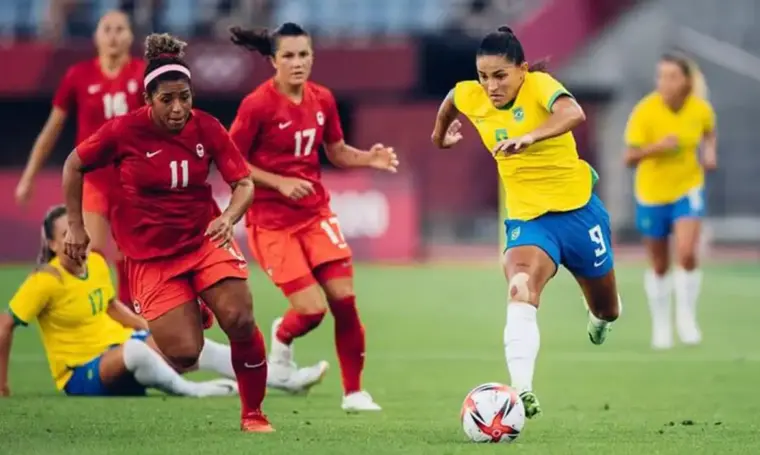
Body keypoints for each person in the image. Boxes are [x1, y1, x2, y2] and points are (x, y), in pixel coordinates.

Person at [61, 33, 272, 432]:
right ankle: (197, 305)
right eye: (167, 100)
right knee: (184, 353)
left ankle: (253, 413)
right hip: (151, 257)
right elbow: (74, 164)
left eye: (185, 97)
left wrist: (229, 217)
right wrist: (76, 225)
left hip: (204, 239)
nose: (178, 108)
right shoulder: (122, 131)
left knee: (240, 318)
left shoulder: (207, 127)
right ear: (148, 99)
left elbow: (244, 183)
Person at [430, 26, 621, 419]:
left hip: (579, 213)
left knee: (608, 310)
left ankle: (599, 318)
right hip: (529, 221)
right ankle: (521, 390)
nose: (491, 86)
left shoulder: (540, 86)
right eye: (484, 76)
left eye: (500, 76)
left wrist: (531, 137)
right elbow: (452, 99)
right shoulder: (471, 94)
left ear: (522, 69)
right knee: (520, 288)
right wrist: (439, 136)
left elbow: (573, 112)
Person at [228, 23, 398, 412]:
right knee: (311, 310)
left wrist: (368, 158)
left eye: (303, 54)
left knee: (344, 300)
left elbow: (336, 151)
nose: (297, 62)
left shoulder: (322, 99)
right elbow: (231, 160)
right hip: (271, 222)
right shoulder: (257, 105)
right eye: (288, 55)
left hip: (314, 214)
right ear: (273, 61)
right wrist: (280, 182)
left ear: (312, 57)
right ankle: (282, 339)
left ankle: (354, 393)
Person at [0, 205, 242, 398]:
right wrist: (2, 384)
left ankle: (262, 376)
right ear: (52, 244)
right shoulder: (45, 280)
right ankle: (193, 391)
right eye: (65, 235)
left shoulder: (96, 263)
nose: (75, 238)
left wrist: (148, 328)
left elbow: (110, 306)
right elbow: (5, 326)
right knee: (136, 352)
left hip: (120, 347)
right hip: (80, 371)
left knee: (187, 344)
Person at [15, 10, 143, 313]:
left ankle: (133, 323)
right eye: (107, 29)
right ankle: (98, 317)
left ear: (130, 36)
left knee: (130, 256)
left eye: (120, 29)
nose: (113, 36)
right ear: (96, 36)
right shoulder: (78, 75)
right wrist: (28, 177)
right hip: (92, 178)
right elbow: (51, 130)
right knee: (92, 253)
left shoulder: (142, 73)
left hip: (132, 179)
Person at [624, 52, 717, 350]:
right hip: (652, 194)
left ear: (686, 81)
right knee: (660, 264)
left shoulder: (700, 108)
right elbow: (629, 157)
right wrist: (657, 147)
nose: (665, 82)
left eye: (672, 76)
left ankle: (686, 319)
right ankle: (661, 326)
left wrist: (709, 152)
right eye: (661, 76)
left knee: (687, 253)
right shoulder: (645, 111)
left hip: (687, 188)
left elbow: (709, 132)